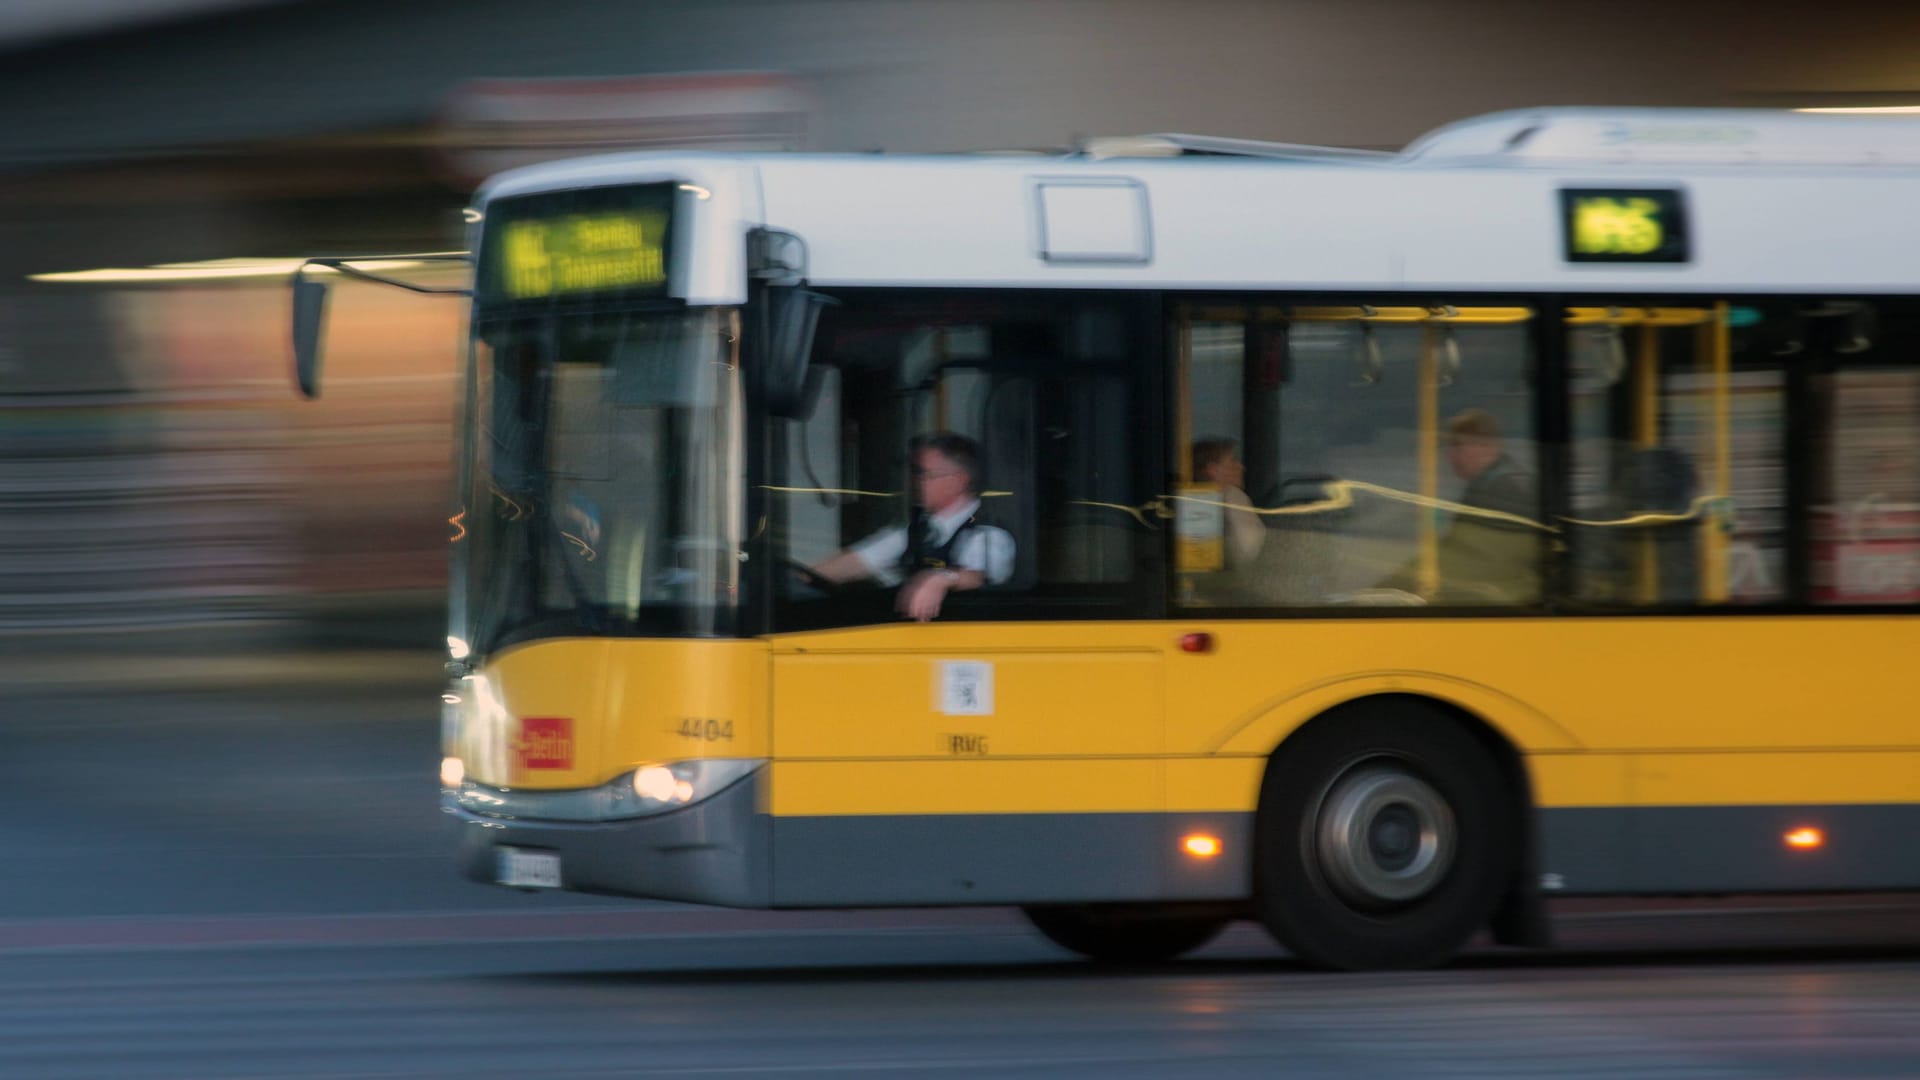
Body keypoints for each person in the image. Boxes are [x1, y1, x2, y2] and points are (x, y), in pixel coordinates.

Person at [808, 431, 1015, 621]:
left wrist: (940, 579)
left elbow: (977, 575)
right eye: (914, 474)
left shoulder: (989, 533)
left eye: (924, 474)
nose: (915, 481)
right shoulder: (917, 530)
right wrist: (798, 579)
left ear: (958, 481)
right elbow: (857, 561)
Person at [1382, 409, 1542, 603]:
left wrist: (1397, 583)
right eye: (1450, 447)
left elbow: (1479, 557)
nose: (1450, 455)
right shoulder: (1491, 485)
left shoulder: (1504, 491)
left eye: (1458, 445)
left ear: (1488, 446)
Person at [1191, 437, 1264, 568]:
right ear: (1213, 470)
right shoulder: (1196, 507)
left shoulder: (1237, 497)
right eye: (1232, 461)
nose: (1241, 467)